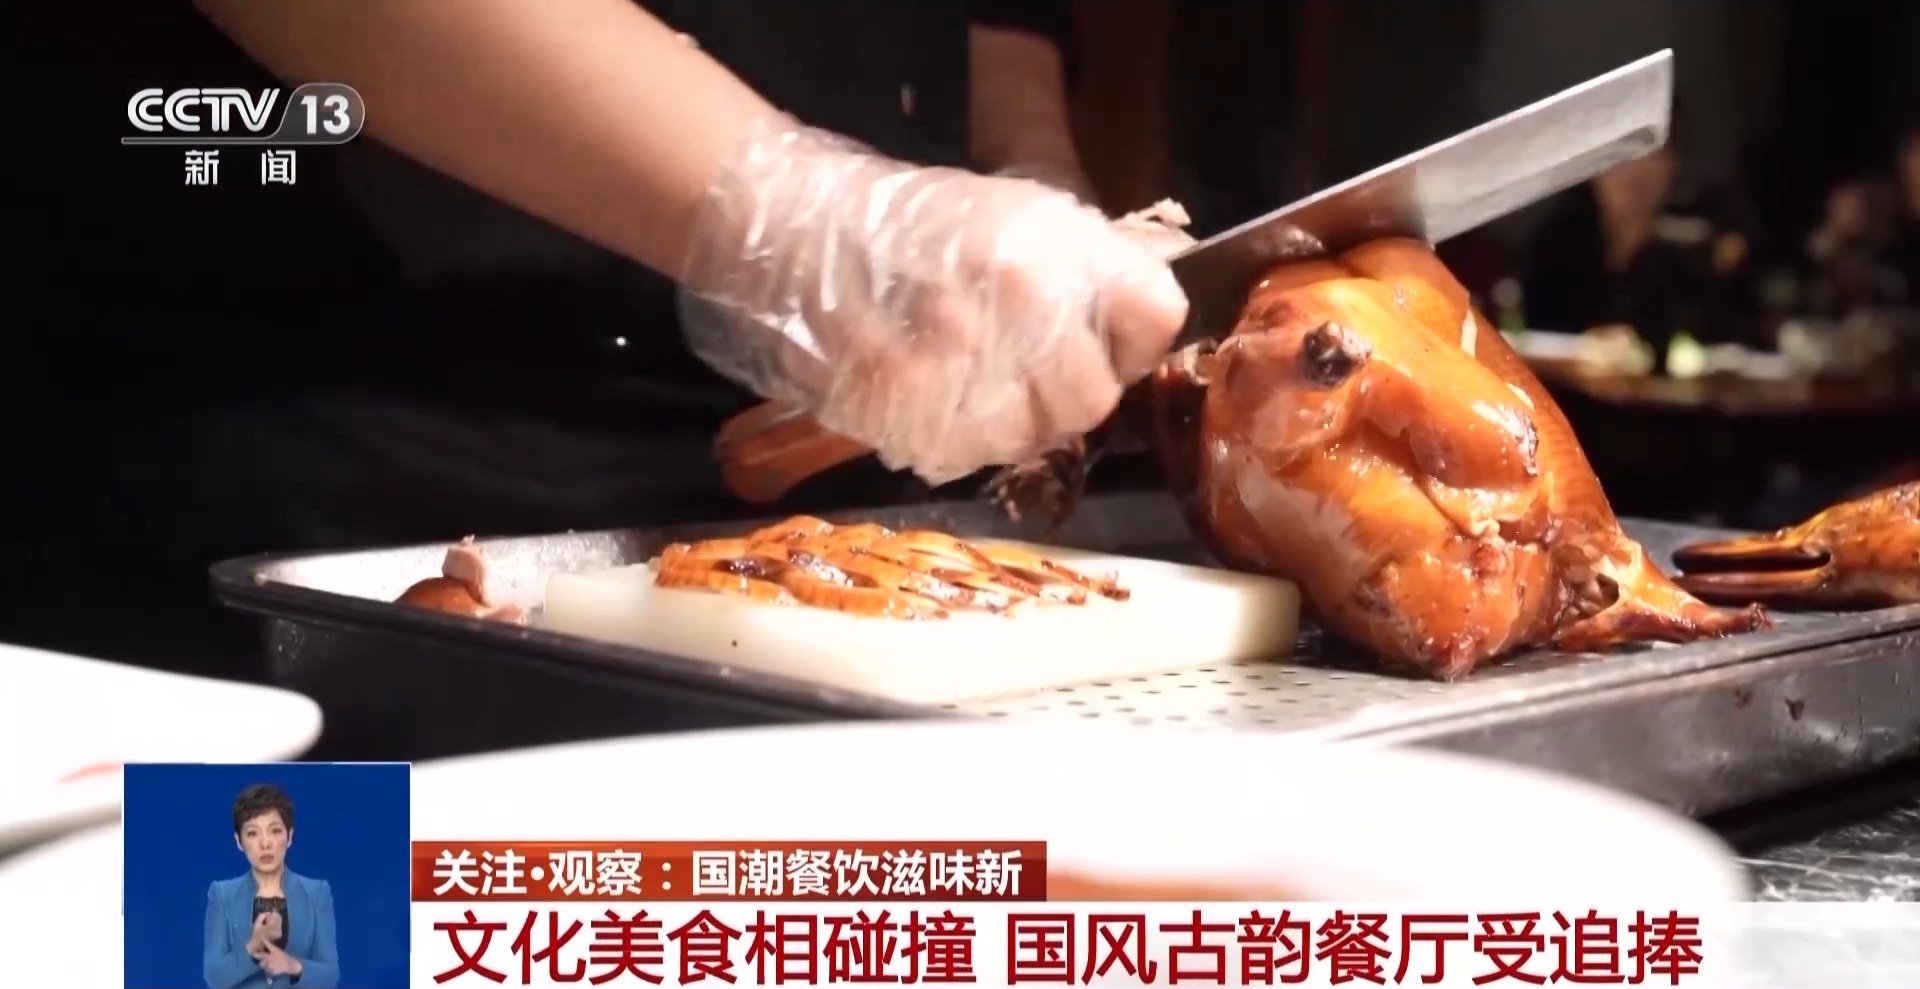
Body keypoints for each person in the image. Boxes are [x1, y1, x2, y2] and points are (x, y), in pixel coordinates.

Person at [11, 1, 1187, 687]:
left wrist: (1035, 185)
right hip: (313, 470)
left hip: (831, 542)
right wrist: (782, 211)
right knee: (276, 931)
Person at [203, 784, 340, 989]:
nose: (265, 843)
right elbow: (214, 977)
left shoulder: (316, 893)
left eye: (275, 831)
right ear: (239, 842)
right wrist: (253, 946)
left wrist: (292, 965)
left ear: (289, 837)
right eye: (253, 833)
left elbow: (330, 975)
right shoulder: (222, 895)